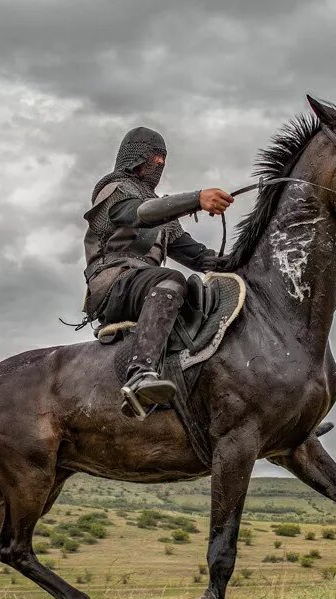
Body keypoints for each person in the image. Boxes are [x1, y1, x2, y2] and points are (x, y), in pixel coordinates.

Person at [80, 126, 233, 416]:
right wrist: (195, 199)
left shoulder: (161, 211)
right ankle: (140, 374)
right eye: (154, 158)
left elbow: (197, 256)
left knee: (206, 295)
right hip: (115, 284)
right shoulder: (115, 189)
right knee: (171, 279)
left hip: (146, 286)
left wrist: (247, 259)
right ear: (135, 157)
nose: (160, 164)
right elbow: (137, 214)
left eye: (163, 159)